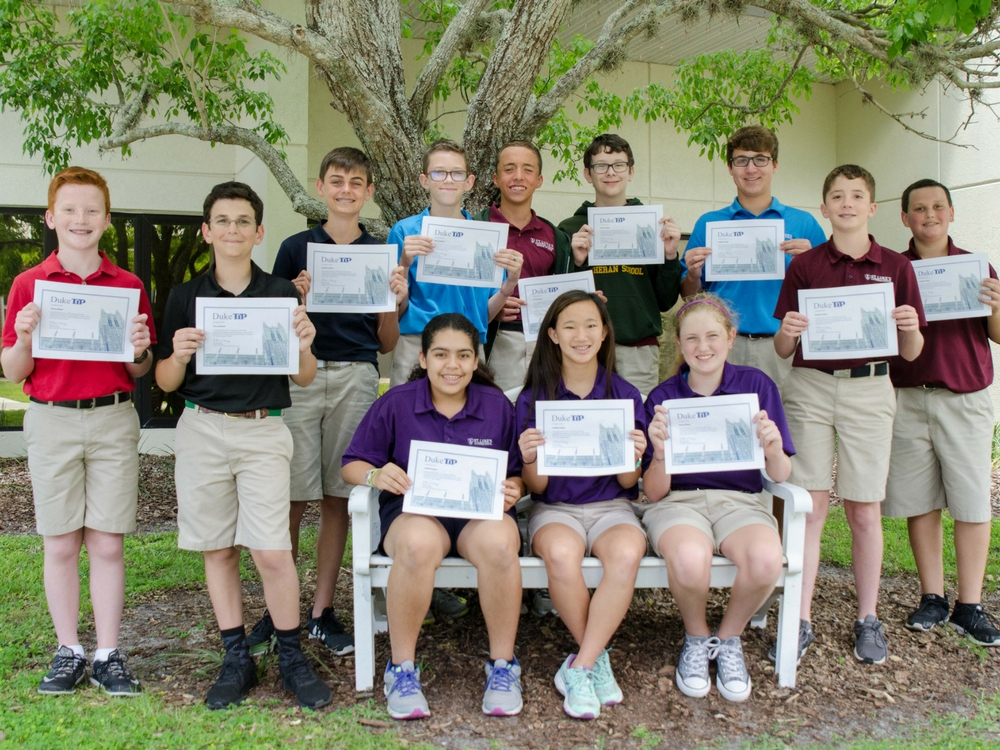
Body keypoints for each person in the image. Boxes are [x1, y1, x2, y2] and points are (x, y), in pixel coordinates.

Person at [155, 182, 332, 710]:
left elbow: (303, 378)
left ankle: (291, 656)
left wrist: (305, 341)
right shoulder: (186, 297)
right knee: (218, 547)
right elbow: (164, 382)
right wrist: (180, 355)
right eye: (222, 221)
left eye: (243, 221)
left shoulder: (281, 293)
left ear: (258, 232)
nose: (232, 230)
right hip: (203, 427)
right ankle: (237, 658)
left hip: (262, 430)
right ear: (207, 231)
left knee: (272, 551)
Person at [1, 166, 154, 696]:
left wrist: (139, 349)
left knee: (108, 544)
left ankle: (109, 653)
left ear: (107, 220)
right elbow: (14, 371)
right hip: (51, 418)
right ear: (50, 217)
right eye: (69, 209)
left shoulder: (129, 285)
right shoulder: (29, 285)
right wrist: (22, 337)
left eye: (91, 210)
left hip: (112, 417)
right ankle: (68, 649)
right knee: (61, 542)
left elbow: (140, 369)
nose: (80, 219)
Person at [245, 147, 403, 659]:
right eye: (337, 181)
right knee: (290, 495)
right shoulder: (295, 247)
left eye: (356, 182)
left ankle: (321, 611)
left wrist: (394, 303)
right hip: (301, 376)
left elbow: (387, 343)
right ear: (320, 187)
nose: (346, 190)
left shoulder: (380, 253)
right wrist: (294, 297)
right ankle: (278, 607)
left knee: (339, 494)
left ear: (369, 191)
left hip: (357, 373)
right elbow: (273, 323)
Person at [773, 164, 926, 665]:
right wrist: (790, 331)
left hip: (870, 388)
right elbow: (780, 348)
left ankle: (867, 618)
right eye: (836, 196)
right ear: (824, 207)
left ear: (872, 207)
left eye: (856, 196)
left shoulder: (897, 268)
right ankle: (799, 619)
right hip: (812, 388)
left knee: (863, 508)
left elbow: (910, 352)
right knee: (810, 508)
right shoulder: (806, 265)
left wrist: (906, 326)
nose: (846, 204)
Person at [341, 313, 525, 720]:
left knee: (499, 545)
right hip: (415, 514)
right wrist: (376, 474)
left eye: (463, 355)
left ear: (476, 361)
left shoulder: (496, 406)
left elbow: (517, 473)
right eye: (441, 354)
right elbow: (351, 464)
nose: (452, 365)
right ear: (423, 358)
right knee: (417, 545)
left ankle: (503, 666)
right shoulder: (396, 402)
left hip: (477, 515)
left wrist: (516, 488)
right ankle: (401, 668)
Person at [642, 294, 793, 702]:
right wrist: (659, 453)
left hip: (740, 501)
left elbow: (780, 474)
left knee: (765, 561)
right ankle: (696, 638)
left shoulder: (756, 386)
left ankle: (728, 641)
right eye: (692, 339)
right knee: (690, 559)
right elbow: (653, 492)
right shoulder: (661, 398)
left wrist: (774, 448)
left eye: (712, 336)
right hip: (678, 503)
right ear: (679, 342)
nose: (702, 347)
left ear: (730, 338)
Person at [516, 290, 648, 720]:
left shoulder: (624, 394)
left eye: (591, 324)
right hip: (555, 508)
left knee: (627, 553)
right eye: (569, 326)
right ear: (552, 334)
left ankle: (582, 664)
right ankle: (597, 660)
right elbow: (536, 487)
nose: (581, 334)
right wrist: (531, 457)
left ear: (605, 331)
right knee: (560, 553)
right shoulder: (535, 397)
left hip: (612, 507)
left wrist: (635, 455)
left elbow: (630, 482)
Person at [884, 179, 1000, 644]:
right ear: (904, 217)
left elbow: (997, 334)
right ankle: (932, 596)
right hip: (908, 396)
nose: (929, 215)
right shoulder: (893, 270)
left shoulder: (975, 267)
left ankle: (969, 604)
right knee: (920, 500)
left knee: (971, 501)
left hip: (963, 396)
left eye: (937, 207)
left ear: (951, 212)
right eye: (918, 208)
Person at [680, 125, 828, 389]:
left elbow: (829, 291)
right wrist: (692, 273)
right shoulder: (708, 224)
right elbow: (689, 295)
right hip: (723, 346)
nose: (751, 169)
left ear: (775, 165)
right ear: (730, 168)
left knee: (781, 427)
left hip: (781, 348)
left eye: (760, 159)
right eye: (741, 161)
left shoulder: (804, 223)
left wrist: (812, 263)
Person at [388, 139, 523, 388]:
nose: (448, 180)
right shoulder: (404, 232)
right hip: (416, 342)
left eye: (457, 173)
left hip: (468, 346)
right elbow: (398, 307)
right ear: (424, 180)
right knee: (409, 422)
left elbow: (486, 314)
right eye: (439, 172)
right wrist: (404, 264)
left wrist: (510, 283)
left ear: (468, 182)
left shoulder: (486, 237)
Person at [558, 133, 682, 398]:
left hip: (638, 349)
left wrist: (671, 256)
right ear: (588, 174)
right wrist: (577, 262)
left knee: (635, 427)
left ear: (631, 171)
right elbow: (559, 300)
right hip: (583, 347)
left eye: (618, 165)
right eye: (601, 165)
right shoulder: (569, 229)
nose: (610, 172)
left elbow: (666, 300)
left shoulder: (651, 226)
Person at [472, 140, 573, 391]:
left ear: (538, 180)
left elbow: (562, 293)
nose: (518, 177)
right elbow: (462, 293)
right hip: (493, 341)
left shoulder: (555, 237)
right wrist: (492, 304)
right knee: (496, 416)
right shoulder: (476, 228)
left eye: (527, 169)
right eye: (509, 169)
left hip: (543, 344)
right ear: (496, 178)